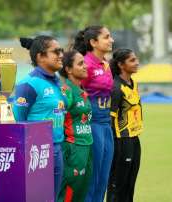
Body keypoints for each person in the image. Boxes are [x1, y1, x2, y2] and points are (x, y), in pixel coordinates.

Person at [13, 35, 66, 199]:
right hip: (37, 152)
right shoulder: (28, 84)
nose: (61, 55)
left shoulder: (56, 81)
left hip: (57, 147)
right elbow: (19, 121)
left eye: (61, 51)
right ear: (40, 56)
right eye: (56, 52)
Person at [73, 25, 115, 202]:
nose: (111, 40)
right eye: (106, 37)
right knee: (93, 177)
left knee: (103, 178)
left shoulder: (105, 64)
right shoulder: (86, 64)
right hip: (92, 123)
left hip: (106, 124)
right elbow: (75, 91)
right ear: (93, 42)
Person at [107, 49, 143, 202]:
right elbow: (110, 119)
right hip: (121, 141)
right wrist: (114, 145)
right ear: (121, 65)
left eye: (136, 59)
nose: (137, 63)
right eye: (132, 60)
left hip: (134, 140)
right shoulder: (116, 88)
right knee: (118, 185)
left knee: (130, 184)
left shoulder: (133, 83)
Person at [57, 50, 93, 201]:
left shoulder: (81, 90)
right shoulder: (67, 91)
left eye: (84, 62)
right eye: (80, 63)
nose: (86, 66)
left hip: (86, 146)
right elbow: (58, 116)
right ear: (68, 69)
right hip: (73, 148)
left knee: (81, 193)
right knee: (68, 194)